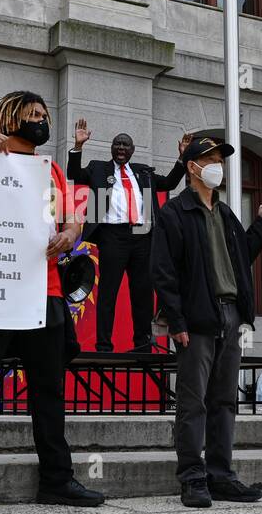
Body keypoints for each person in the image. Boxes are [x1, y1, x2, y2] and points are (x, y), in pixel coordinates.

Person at [0, 91, 105, 514]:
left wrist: (70, 234)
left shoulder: (54, 172)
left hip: (43, 294)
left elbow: (74, 218)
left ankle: (57, 479)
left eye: (43, 115)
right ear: (10, 119)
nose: (40, 121)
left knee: (49, 390)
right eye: (31, 115)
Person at [150, 134, 262, 508]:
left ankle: (221, 475)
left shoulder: (224, 214)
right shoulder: (175, 213)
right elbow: (163, 271)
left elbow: (243, 255)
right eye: (210, 159)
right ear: (192, 167)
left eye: (220, 158)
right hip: (197, 319)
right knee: (193, 402)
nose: (217, 165)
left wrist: (261, 224)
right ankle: (192, 476)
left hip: (230, 315)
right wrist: (176, 321)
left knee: (224, 400)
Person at [68, 122, 190, 352]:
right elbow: (74, 174)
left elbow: (169, 183)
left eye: (125, 144)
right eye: (117, 144)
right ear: (112, 148)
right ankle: (104, 344)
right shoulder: (99, 169)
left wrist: (182, 159)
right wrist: (77, 146)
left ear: (132, 150)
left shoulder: (143, 172)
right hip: (111, 234)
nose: (121, 147)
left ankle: (142, 344)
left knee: (142, 293)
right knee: (108, 292)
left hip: (142, 234)